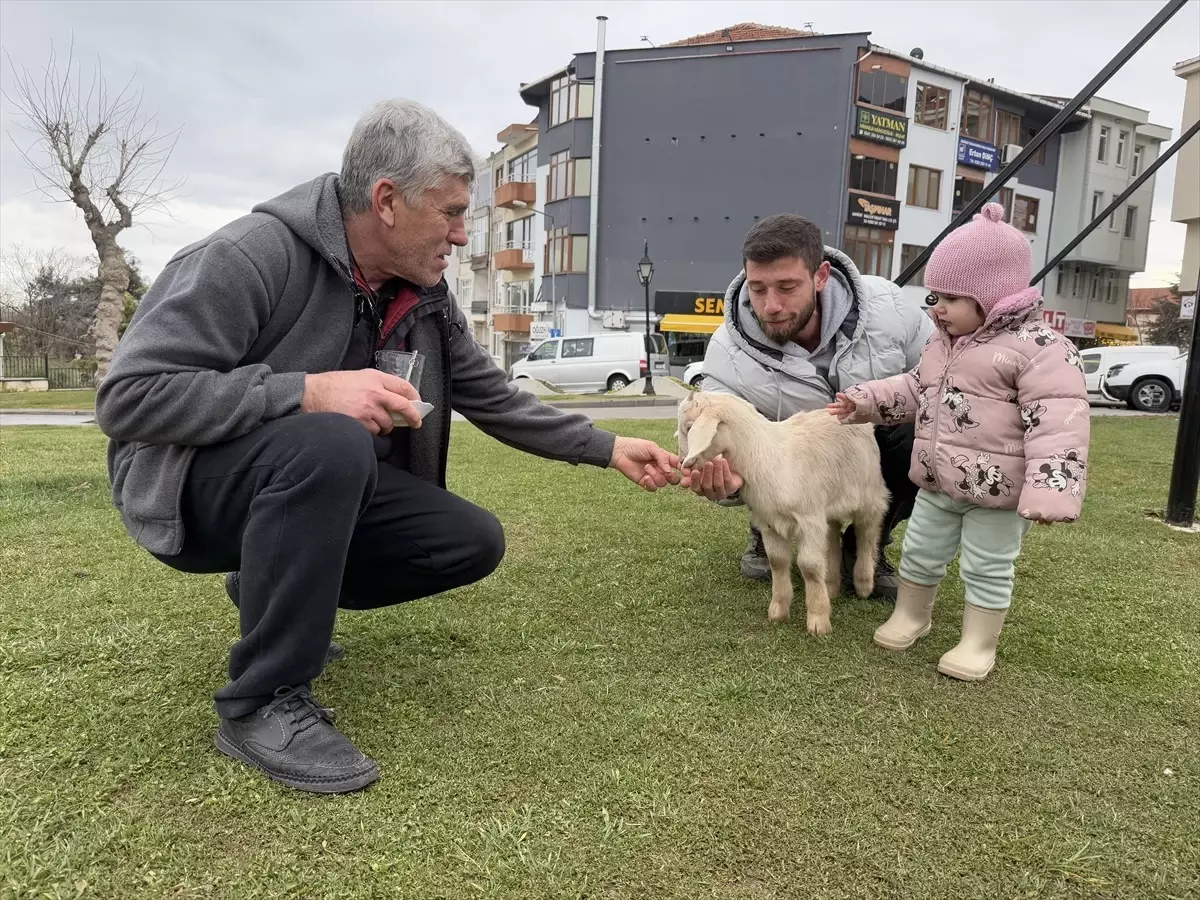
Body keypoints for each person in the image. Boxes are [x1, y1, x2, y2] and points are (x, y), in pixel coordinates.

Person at [94, 99, 680, 795]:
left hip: (304, 485)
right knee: (332, 440)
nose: (461, 234)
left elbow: (491, 395)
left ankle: (267, 587)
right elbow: (128, 397)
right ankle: (260, 703)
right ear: (387, 201)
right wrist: (308, 391)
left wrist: (607, 447)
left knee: (468, 541)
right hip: (191, 490)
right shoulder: (249, 256)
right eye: (451, 212)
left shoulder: (422, 292)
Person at [827, 202, 1090, 681]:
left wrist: (1052, 490)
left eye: (951, 297)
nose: (938, 307)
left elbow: (1058, 423)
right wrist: (866, 400)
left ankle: (978, 642)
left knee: (988, 566)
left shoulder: (1041, 350)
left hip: (998, 495)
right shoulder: (941, 343)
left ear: (992, 298)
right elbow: (915, 389)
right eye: (935, 295)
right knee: (919, 552)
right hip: (937, 484)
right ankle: (912, 615)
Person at [682, 214, 933, 601]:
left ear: (820, 276)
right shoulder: (725, 354)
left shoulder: (890, 308)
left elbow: (941, 374)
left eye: (787, 287)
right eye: (757, 288)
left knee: (923, 429)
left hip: (871, 443)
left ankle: (865, 543)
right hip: (786, 463)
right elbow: (715, 444)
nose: (771, 305)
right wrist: (719, 480)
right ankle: (767, 527)